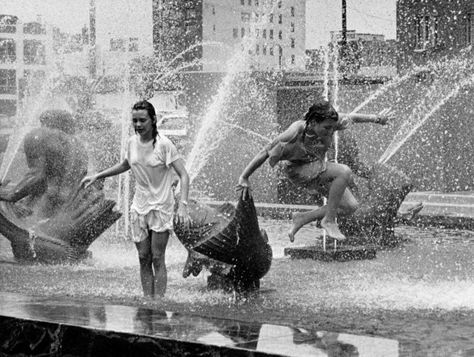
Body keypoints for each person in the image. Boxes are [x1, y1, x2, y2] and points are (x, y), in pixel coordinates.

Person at [237, 100, 392, 242]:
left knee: (350, 206)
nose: (331, 131)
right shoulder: (296, 131)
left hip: (317, 168)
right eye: (326, 128)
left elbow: (353, 117)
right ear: (313, 122)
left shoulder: (330, 123)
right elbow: (265, 152)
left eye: (332, 127)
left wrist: (378, 119)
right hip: (298, 171)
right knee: (344, 171)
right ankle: (329, 221)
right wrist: (244, 177)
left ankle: (302, 218)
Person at [81, 100, 191, 298]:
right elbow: (126, 164)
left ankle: (158, 302)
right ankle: (147, 300)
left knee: (157, 258)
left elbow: (184, 175)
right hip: (139, 206)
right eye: (135, 121)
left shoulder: (165, 145)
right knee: (143, 257)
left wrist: (182, 205)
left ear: (153, 120)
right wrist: (98, 175)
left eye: (142, 120)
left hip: (161, 207)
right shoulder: (132, 142)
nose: (138, 125)